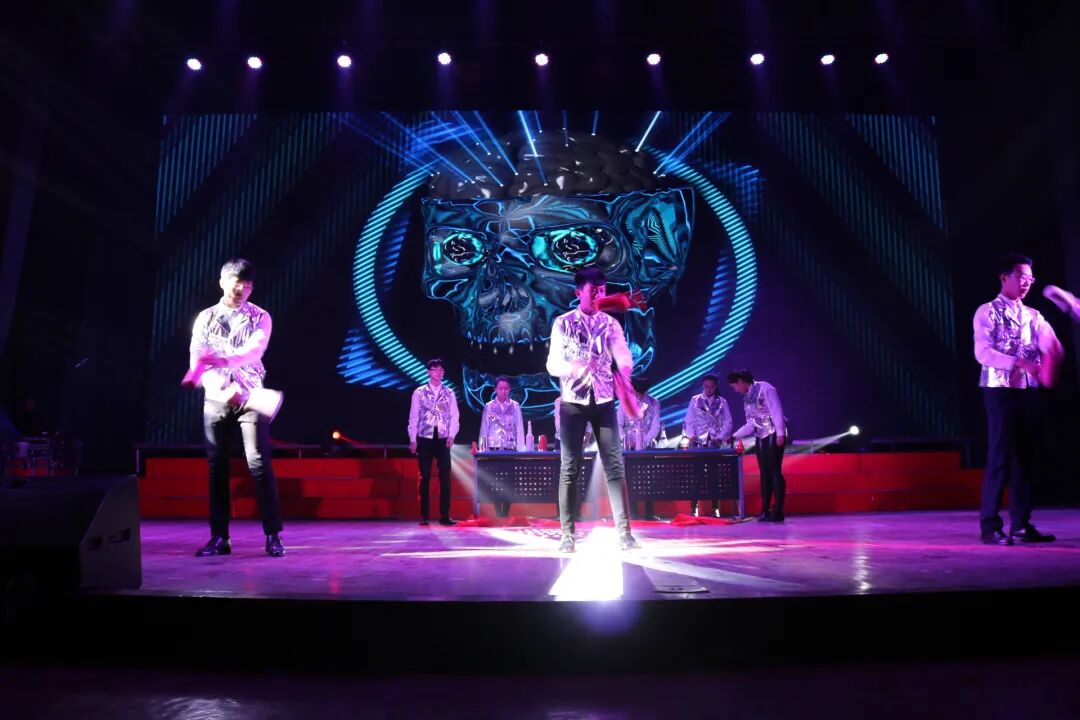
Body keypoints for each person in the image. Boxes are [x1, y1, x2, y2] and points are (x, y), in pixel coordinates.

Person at [190, 258, 284, 558]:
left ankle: (273, 535)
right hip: (217, 398)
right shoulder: (205, 318)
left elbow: (254, 351)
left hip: (251, 396)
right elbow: (196, 361)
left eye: (248, 284)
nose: (242, 289)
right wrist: (219, 385)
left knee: (258, 462)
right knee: (216, 467)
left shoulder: (260, 316)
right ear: (223, 282)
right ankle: (219, 537)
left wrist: (221, 362)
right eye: (237, 283)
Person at [546, 267, 639, 553]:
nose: (599, 294)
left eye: (602, 290)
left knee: (615, 467)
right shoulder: (563, 323)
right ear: (579, 292)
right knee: (569, 468)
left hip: (603, 401)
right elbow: (552, 364)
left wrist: (624, 369)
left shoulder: (610, 324)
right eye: (593, 290)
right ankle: (567, 535)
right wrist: (571, 368)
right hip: (573, 402)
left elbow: (622, 352)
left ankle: (625, 533)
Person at [974, 253, 1063, 545]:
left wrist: (1053, 353)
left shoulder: (1034, 316)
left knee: (1026, 458)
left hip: (1028, 390)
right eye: (1021, 277)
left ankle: (1021, 525)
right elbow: (983, 353)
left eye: (1030, 279)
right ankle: (990, 526)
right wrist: (1020, 363)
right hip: (999, 390)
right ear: (1004, 277)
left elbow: (1051, 345)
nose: (1027, 283)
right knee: (999, 456)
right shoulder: (987, 311)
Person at [728, 370, 788, 522]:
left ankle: (778, 509)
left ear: (741, 381)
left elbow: (776, 410)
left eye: (734, 386)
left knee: (775, 471)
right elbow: (751, 423)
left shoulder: (766, 388)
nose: (735, 390)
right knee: (764, 473)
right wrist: (735, 435)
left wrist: (780, 433)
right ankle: (765, 510)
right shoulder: (747, 398)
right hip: (761, 435)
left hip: (774, 432)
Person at [408, 358, 460, 526]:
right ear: (428, 372)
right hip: (425, 437)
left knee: (445, 476)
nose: (439, 372)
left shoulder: (449, 393)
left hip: (443, 438)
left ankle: (445, 515)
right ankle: (424, 516)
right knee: (424, 477)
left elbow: (454, 415)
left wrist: (452, 435)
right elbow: (414, 416)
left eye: (441, 370)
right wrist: (412, 438)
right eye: (436, 369)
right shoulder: (419, 392)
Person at [683, 373, 733, 517]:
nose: (708, 389)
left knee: (714, 476)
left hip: (714, 443)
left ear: (715, 386)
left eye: (711, 387)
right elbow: (689, 420)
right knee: (696, 475)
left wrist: (720, 437)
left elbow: (728, 422)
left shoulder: (722, 402)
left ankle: (715, 507)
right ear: (703, 386)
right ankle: (694, 507)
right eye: (706, 386)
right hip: (698, 442)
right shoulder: (695, 400)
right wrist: (691, 435)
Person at [479, 376, 525, 517]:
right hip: (493, 449)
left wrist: (521, 449)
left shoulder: (515, 406)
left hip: (510, 448)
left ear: (509, 389)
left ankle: (505, 511)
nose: (503, 391)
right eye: (501, 388)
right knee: (495, 480)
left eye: (506, 388)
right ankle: (498, 511)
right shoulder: (489, 406)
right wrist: (483, 449)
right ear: (495, 389)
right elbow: (484, 428)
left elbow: (519, 427)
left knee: (509, 481)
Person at [619, 377, 662, 520]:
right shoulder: (625, 402)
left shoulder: (654, 403)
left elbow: (655, 425)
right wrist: (626, 440)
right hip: (629, 448)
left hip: (647, 447)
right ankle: (633, 512)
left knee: (650, 479)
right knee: (631, 478)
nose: (639, 396)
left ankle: (649, 512)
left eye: (642, 393)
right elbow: (619, 424)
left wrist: (645, 441)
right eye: (637, 393)